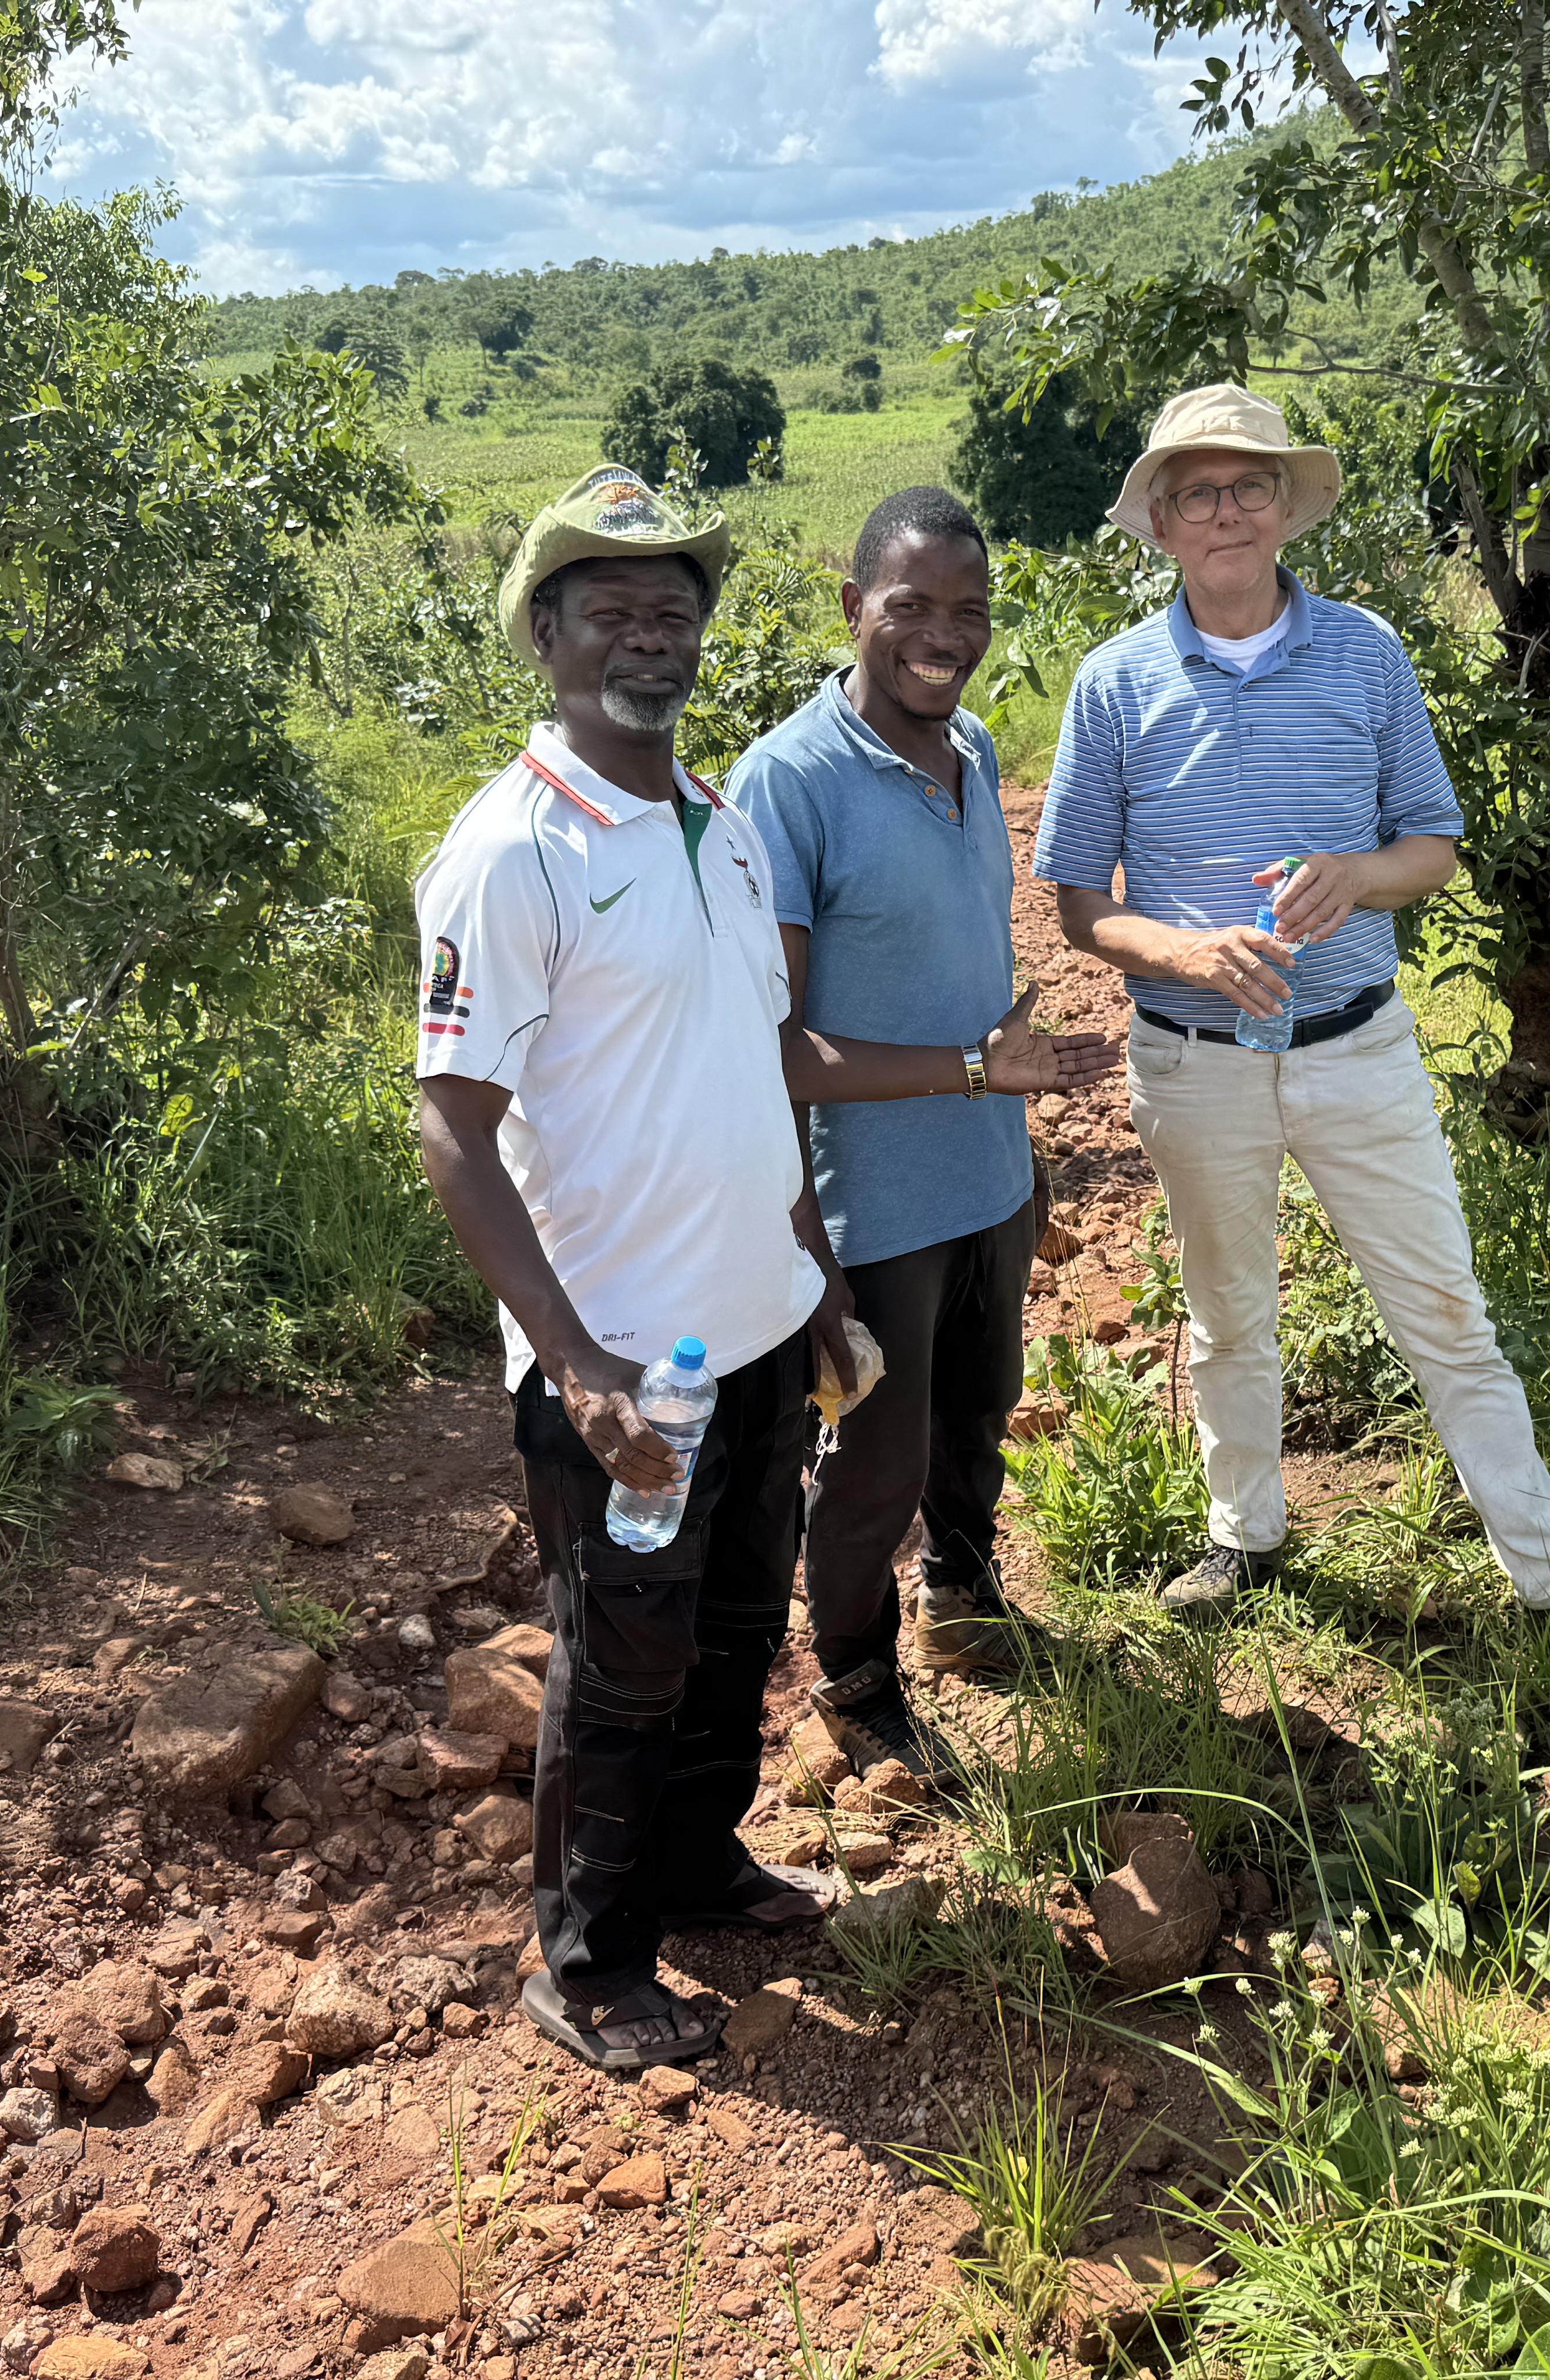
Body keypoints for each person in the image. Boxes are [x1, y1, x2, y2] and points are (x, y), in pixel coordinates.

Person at [413, 465, 1110, 2072]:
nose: (648, 639)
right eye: (611, 611)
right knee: (626, 1652)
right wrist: (575, 1366)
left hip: (759, 1326)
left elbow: (759, 1066)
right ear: (547, 633)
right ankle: (587, 1962)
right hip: (630, 1367)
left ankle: (704, 1863)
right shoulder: (509, 851)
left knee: (733, 1626)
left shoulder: (715, 825)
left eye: (674, 611)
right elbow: (452, 1126)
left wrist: (811, 1279)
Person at [1035, 385, 1550, 1629]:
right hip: (1195, 1058)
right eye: (1201, 490)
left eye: (1252, 485)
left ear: (1288, 508)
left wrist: (1359, 875)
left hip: (1358, 1047)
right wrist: (1190, 957)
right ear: (1164, 521)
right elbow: (1082, 905)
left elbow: (1436, 848)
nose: (1229, 510)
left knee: (1446, 1315)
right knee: (1226, 1316)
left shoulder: (1366, 651)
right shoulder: (1114, 683)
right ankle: (1244, 1535)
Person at [730, 487, 1097, 1784]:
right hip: (873, 1202)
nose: (944, 636)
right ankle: (855, 1675)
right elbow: (768, 1049)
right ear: (853, 611)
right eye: (912, 608)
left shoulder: (980, 749)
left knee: (979, 1412)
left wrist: (1011, 1091)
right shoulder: (788, 782)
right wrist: (812, 1250)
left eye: (969, 611)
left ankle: (962, 1601)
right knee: (871, 1462)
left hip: (990, 1175)